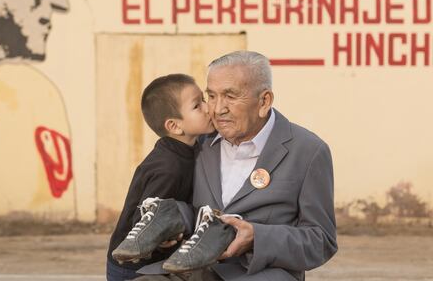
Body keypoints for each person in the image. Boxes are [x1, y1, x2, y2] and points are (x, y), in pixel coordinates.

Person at [136, 51, 337, 280]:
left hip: (260, 273)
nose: (218, 109)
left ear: (264, 101)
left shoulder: (308, 151)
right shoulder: (199, 141)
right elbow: (189, 208)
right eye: (211, 96)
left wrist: (257, 237)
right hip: (192, 270)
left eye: (230, 96)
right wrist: (172, 220)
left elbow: (321, 241)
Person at [107, 74, 216, 281]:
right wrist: (162, 237)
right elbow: (147, 219)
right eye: (197, 106)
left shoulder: (190, 148)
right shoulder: (168, 167)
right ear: (175, 126)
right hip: (134, 268)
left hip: (155, 263)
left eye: (203, 99)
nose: (208, 107)